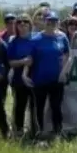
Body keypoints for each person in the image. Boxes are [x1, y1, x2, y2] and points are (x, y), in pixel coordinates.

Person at [26, 11, 71, 140]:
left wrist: (64, 72)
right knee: (39, 107)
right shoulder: (35, 39)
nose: (52, 24)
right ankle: (39, 132)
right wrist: (24, 75)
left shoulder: (62, 37)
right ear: (44, 22)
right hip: (39, 79)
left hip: (57, 79)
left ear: (58, 23)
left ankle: (58, 131)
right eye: (49, 21)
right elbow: (29, 60)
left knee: (56, 106)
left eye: (54, 21)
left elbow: (68, 55)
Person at [5, 14, 36, 139]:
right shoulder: (13, 42)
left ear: (30, 25)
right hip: (18, 80)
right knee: (20, 106)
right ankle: (18, 131)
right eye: (20, 23)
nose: (22, 26)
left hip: (35, 79)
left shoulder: (36, 39)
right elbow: (10, 62)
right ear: (16, 26)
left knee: (34, 106)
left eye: (25, 23)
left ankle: (34, 130)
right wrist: (23, 62)